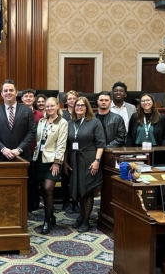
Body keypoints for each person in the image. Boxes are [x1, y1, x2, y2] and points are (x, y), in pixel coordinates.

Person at [67, 96, 106, 233]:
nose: (79, 108)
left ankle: (86, 221)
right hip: (75, 160)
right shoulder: (71, 123)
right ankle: (82, 215)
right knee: (78, 189)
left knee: (88, 190)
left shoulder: (94, 122)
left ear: (87, 107)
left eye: (82, 105)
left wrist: (97, 161)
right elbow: (67, 144)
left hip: (90, 160)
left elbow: (101, 144)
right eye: (77, 105)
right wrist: (66, 162)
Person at [33, 97, 68, 234]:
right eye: (47, 106)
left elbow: (61, 144)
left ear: (57, 106)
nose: (49, 108)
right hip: (39, 159)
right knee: (43, 189)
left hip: (53, 160)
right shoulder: (42, 121)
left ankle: (47, 221)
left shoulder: (63, 123)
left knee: (48, 189)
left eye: (52, 106)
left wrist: (57, 162)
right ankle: (51, 215)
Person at [0, 79, 36, 162]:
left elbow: (32, 132)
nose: (8, 92)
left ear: (16, 92)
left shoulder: (27, 111)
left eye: (11, 90)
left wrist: (19, 149)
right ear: (2, 94)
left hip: (22, 157)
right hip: (0, 157)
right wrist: (3, 149)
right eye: (5, 91)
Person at [21, 88, 45, 216]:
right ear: (22, 99)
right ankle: (23, 205)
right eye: (26, 96)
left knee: (33, 180)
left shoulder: (39, 115)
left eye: (31, 96)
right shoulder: (18, 112)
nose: (29, 98)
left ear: (34, 99)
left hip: (35, 151)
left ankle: (32, 205)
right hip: (22, 151)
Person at [61, 90, 79, 211]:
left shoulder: (81, 112)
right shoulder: (62, 114)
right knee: (65, 176)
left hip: (77, 149)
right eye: (69, 99)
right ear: (66, 101)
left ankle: (75, 202)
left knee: (76, 176)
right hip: (65, 147)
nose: (72, 101)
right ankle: (65, 201)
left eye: (74, 98)